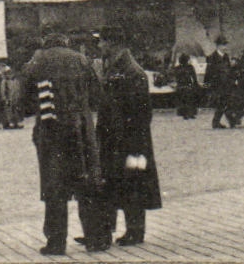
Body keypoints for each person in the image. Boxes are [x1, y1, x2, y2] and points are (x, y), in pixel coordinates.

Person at [21, 32, 103, 256]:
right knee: (85, 183)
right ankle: (94, 237)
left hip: (51, 132)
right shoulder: (80, 59)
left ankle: (56, 242)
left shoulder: (38, 60)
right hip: (81, 131)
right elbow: (97, 94)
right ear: (65, 41)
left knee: (54, 187)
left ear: (46, 42)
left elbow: (24, 99)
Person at [85, 29, 162, 248]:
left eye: (102, 42)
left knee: (133, 184)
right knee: (115, 182)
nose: (99, 46)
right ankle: (106, 231)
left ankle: (135, 231)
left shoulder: (131, 71)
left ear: (113, 43)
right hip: (115, 139)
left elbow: (142, 112)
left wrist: (130, 141)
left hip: (130, 141)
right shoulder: (117, 67)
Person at [205, 38, 232, 128]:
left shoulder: (226, 57)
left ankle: (223, 121)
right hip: (217, 84)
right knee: (221, 102)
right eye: (223, 45)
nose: (225, 47)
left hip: (226, 83)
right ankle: (218, 122)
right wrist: (209, 84)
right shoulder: (212, 57)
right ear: (218, 46)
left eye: (226, 45)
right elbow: (209, 71)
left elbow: (229, 69)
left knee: (225, 102)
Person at [173, 54, 201, 120]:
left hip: (180, 86)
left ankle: (184, 114)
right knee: (190, 100)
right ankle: (191, 113)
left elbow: (175, 77)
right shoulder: (190, 67)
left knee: (183, 100)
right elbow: (194, 77)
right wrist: (196, 84)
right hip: (188, 85)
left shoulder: (177, 68)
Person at [1, 64, 24, 129]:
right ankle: (11, 123)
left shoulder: (15, 80)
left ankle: (16, 123)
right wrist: (5, 98)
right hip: (9, 98)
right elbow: (3, 91)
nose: (10, 74)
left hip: (15, 98)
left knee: (16, 111)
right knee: (9, 111)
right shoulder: (5, 81)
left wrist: (18, 96)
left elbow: (18, 89)